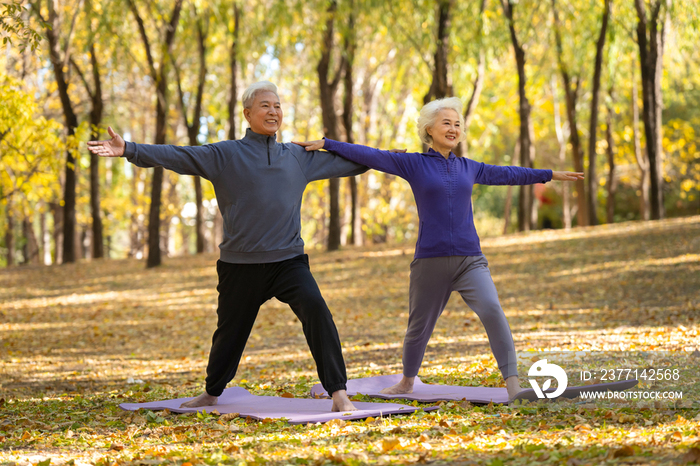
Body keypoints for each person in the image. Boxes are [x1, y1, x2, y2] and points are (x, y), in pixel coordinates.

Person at [87, 81, 365, 411]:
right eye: (265, 105)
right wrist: (129, 149)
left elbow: (354, 163)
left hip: (288, 261)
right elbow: (179, 156)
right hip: (240, 266)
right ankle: (211, 391)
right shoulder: (225, 155)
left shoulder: (298, 156)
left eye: (277, 105)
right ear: (248, 114)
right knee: (229, 333)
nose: (273, 111)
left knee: (316, 309)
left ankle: (339, 394)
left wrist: (387, 158)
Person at [294, 97, 584, 400]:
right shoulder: (413, 163)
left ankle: (514, 386)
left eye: (457, 124)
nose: (453, 128)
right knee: (418, 328)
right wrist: (328, 143)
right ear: (428, 129)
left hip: (470, 260)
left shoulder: (470, 168)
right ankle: (407, 381)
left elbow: (509, 173)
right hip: (430, 261)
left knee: (493, 309)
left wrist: (548, 174)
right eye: (447, 122)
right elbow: (370, 155)